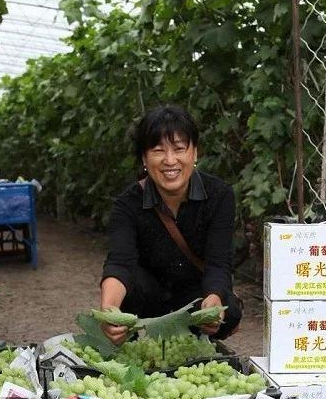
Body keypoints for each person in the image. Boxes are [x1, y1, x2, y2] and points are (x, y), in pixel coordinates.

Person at [99, 105, 242, 345]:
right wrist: (108, 309)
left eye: (179, 149)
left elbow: (218, 263)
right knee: (127, 288)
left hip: (192, 298)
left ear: (194, 153)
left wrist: (213, 299)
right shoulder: (127, 204)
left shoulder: (219, 195)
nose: (170, 160)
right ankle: (129, 342)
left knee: (228, 310)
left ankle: (198, 339)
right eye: (158, 151)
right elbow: (119, 263)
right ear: (144, 158)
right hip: (148, 300)